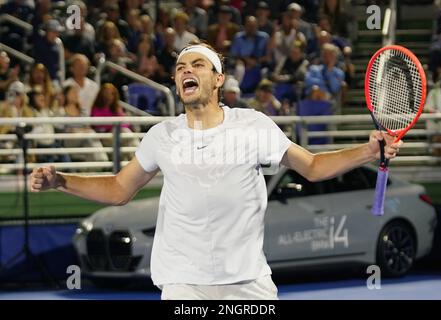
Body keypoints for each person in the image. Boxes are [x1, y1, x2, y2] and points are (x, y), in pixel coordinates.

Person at [30, 41, 403, 300]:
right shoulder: (162, 136)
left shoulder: (252, 125)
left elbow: (313, 166)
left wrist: (370, 150)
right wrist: (60, 181)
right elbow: (117, 189)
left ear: (218, 79)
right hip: (184, 285)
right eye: (179, 68)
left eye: (197, 65)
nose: (185, 71)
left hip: (247, 283)